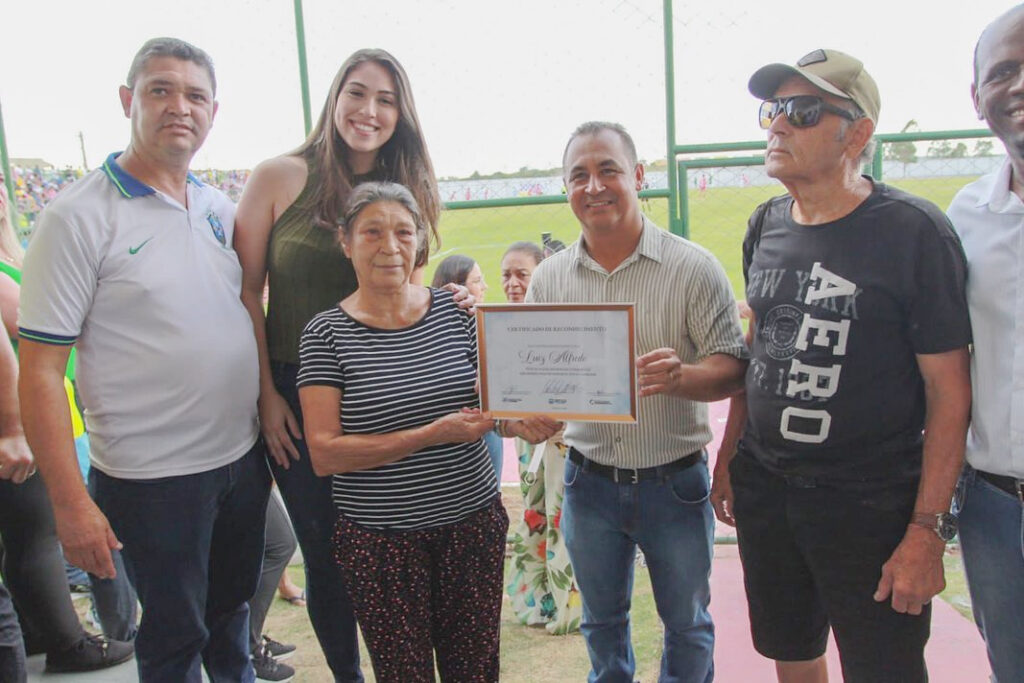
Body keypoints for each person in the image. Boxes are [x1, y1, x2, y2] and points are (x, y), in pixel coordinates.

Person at [712, 50, 972, 683]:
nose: (777, 125)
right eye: (772, 109)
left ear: (857, 134)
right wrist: (732, 453)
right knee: (791, 649)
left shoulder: (914, 233)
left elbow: (950, 395)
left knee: (883, 666)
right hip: (769, 491)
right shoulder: (765, 223)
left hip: (871, 503)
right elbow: (760, 352)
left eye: (801, 112)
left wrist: (927, 532)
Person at [17, 37, 270, 683]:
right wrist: (71, 504)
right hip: (153, 479)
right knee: (172, 644)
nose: (178, 106)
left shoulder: (216, 209)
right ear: (128, 101)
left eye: (195, 95)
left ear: (214, 112)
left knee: (231, 624)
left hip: (238, 463)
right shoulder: (75, 217)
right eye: (161, 90)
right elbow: (41, 370)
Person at [234, 49, 448, 681]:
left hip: (384, 394)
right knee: (328, 556)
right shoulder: (278, 176)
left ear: (400, 114)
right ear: (334, 98)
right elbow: (247, 292)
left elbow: (408, 294)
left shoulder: (409, 186)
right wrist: (267, 394)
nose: (369, 111)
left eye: (385, 100)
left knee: (391, 549)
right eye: (357, 93)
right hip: (298, 405)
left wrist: (454, 296)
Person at [297, 181, 557, 682]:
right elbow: (325, 454)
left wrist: (519, 421)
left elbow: (488, 410)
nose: (389, 246)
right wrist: (429, 434)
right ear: (346, 242)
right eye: (372, 232)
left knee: (475, 671)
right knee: (403, 675)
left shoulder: (455, 312)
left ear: (419, 241)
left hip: (470, 527)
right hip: (380, 543)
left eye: (403, 231)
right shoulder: (325, 334)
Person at [528, 121, 748, 682]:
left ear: (639, 176)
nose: (594, 186)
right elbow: (527, 387)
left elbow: (732, 368)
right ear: (565, 187)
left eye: (608, 170)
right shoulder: (549, 280)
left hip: (673, 482)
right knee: (601, 625)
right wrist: (525, 414)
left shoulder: (692, 267)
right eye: (579, 175)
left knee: (687, 624)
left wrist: (682, 377)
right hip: (588, 482)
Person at [0, 172, 135, 673]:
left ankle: (53, 629)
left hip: (65, 409)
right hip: (37, 419)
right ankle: (71, 637)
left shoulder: (15, 256)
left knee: (35, 534)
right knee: (47, 531)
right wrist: (14, 426)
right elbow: (25, 340)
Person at [946, 7, 1024, 680]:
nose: (1020, 86)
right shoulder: (964, 218)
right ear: (978, 100)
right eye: (1004, 72)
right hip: (994, 506)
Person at [502, 241, 583, 636]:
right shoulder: (501, 327)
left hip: (561, 441)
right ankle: (540, 598)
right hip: (526, 441)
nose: (513, 284)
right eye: (506, 275)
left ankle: (569, 602)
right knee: (533, 516)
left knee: (558, 516)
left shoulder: (560, 323)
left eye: (522, 274)